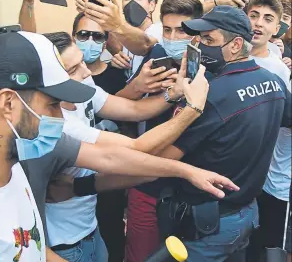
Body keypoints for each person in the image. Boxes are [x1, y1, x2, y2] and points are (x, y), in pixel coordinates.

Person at [0, 31, 239, 262]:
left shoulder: (11, 173)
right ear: (8, 103)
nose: (61, 117)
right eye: (53, 105)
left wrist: (185, 171)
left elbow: (31, 249)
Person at [42, 31, 237, 262]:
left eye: (82, 62)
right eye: (73, 69)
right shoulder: (58, 126)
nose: (85, 72)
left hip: (89, 229)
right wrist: (192, 109)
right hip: (64, 242)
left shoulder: (81, 87)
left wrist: (172, 94)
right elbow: (137, 149)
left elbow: (133, 110)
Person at [149, 6, 291, 261]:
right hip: (246, 213)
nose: (200, 47)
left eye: (208, 40)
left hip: (209, 225)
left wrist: (182, 102)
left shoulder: (211, 95)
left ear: (236, 45)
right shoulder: (274, 80)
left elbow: (159, 157)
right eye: (200, 39)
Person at [115, 0, 204, 261]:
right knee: (143, 253)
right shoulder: (156, 57)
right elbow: (117, 104)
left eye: (182, 30)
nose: (173, 37)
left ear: (197, 33)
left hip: (191, 185)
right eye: (167, 30)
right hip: (146, 180)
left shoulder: (209, 67)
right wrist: (139, 87)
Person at [71, 14, 127, 261]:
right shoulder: (62, 117)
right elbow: (141, 145)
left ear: (106, 41)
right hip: (73, 200)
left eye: (97, 36)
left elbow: (132, 109)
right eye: (83, 35)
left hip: (107, 183)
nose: (89, 41)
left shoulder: (113, 75)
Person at [244, 0, 292, 260]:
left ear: (276, 29)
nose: (258, 24)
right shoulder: (229, 58)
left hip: (271, 174)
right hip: (242, 174)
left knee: (270, 242)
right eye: (254, 15)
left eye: (268, 19)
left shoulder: (277, 68)